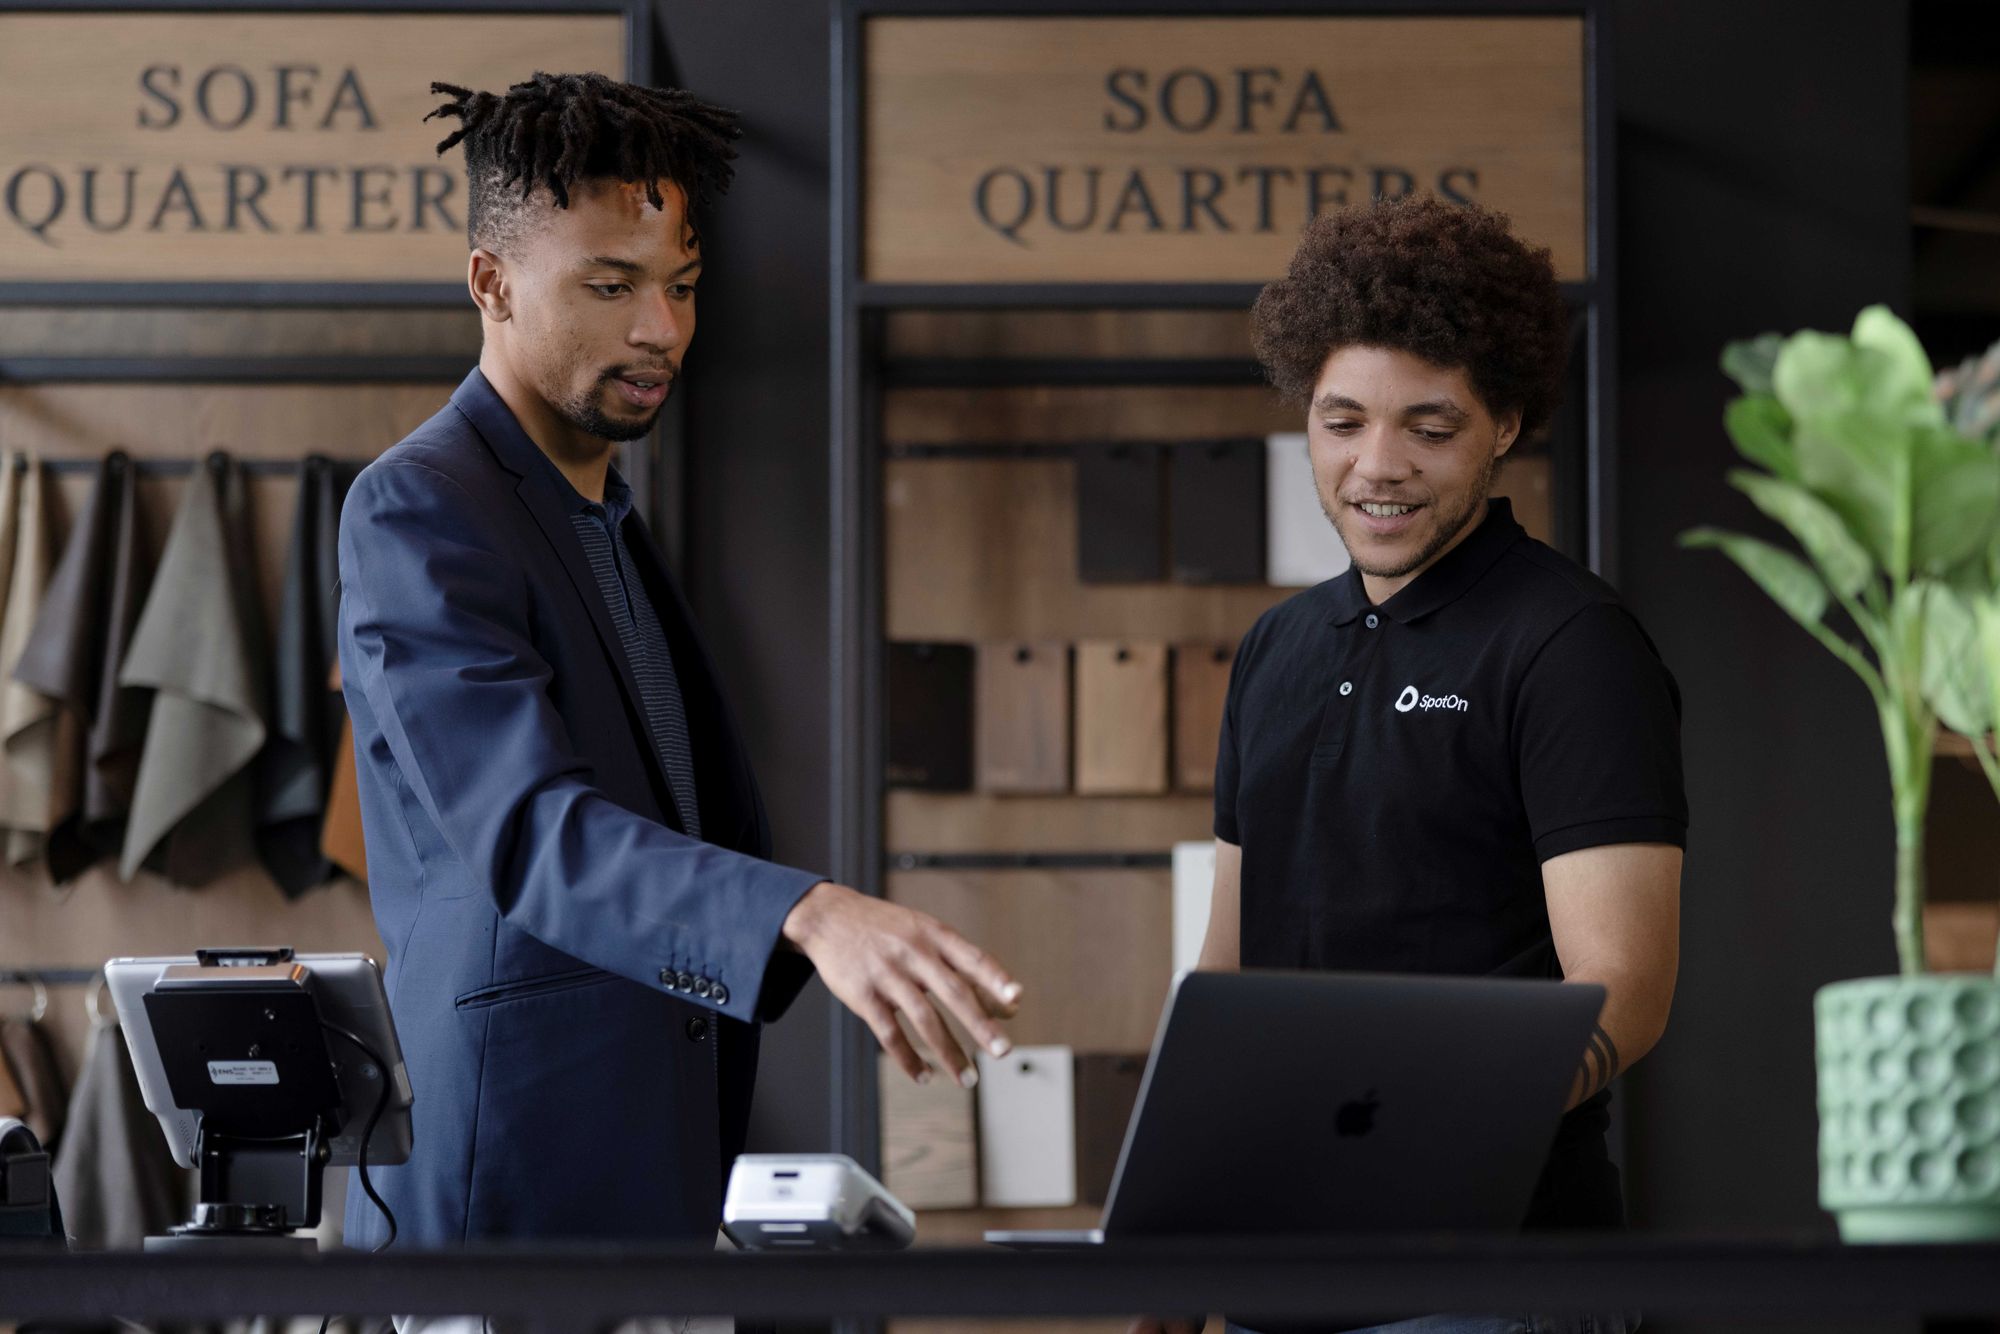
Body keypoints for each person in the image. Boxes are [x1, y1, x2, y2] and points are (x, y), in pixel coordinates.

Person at [335, 71, 1021, 1271]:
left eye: (682, 286)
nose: (660, 328)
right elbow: (532, 831)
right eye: (610, 286)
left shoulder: (604, 520)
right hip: (506, 1196)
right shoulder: (418, 505)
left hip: (647, 1186)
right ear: (490, 283)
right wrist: (807, 909)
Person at [1137, 197, 1686, 1334]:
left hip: (1498, 1276)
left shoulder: (1568, 643)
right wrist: (1167, 1256)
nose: (1373, 465)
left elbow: (1624, 989)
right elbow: (1224, 970)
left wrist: (1439, 1120)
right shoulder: (1275, 649)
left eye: (1427, 427)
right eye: (1340, 421)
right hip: (1271, 1275)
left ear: (1504, 425)